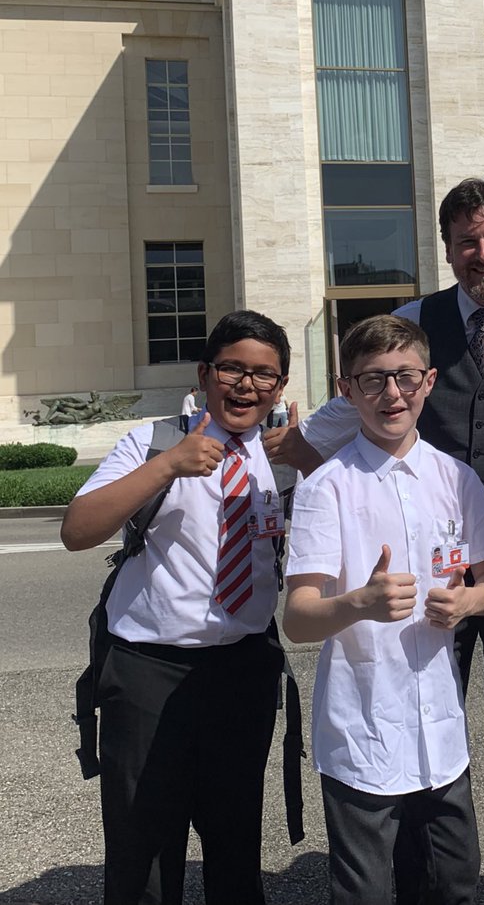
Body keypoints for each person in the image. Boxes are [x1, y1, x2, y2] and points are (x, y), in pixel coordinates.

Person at [270, 178, 484, 905]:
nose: (482, 253)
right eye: (466, 241)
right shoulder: (410, 322)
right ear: (449, 249)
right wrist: (327, 484)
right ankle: (409, 885)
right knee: (414, 737)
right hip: (415, 586)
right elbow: (328, 431)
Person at [61, 310, 292, 905]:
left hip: (243, 666)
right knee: (143, 844)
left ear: (281, 386)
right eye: (232, 369)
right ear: (204, 374)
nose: (246, 386)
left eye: (263, 375)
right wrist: (168, 464)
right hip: (148, 672)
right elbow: (77, 529)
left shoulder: (284, 457)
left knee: (236, 836)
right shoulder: (153, 440)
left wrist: (309, 457)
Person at [284, 315, 484, 905]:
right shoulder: (326, 488)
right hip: (363, 725)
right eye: (373, 380)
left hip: (440, 729)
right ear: (346, 388)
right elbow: (299, 617)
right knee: (363, 893)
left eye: (406, 377)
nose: (392, 394)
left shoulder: (454, 478)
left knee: (454, 885)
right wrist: (358, 602)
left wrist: (468, 600)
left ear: (430, 381)